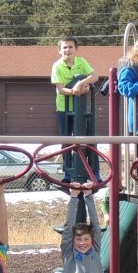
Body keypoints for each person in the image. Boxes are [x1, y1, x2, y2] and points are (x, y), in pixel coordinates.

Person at [51, 36, 100, 182]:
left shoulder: (81, 61)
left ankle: (94, 171)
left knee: (88, 138)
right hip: (64, 108)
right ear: (59, 50)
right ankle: (68, 172)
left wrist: (81, 83)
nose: (68, 50)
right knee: (66, 140)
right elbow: (60, 89)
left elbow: (95, 76)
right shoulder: (57, 66)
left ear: (76, 49)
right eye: (64, 47)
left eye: (71, 47)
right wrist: (76, 90)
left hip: (82, 109)